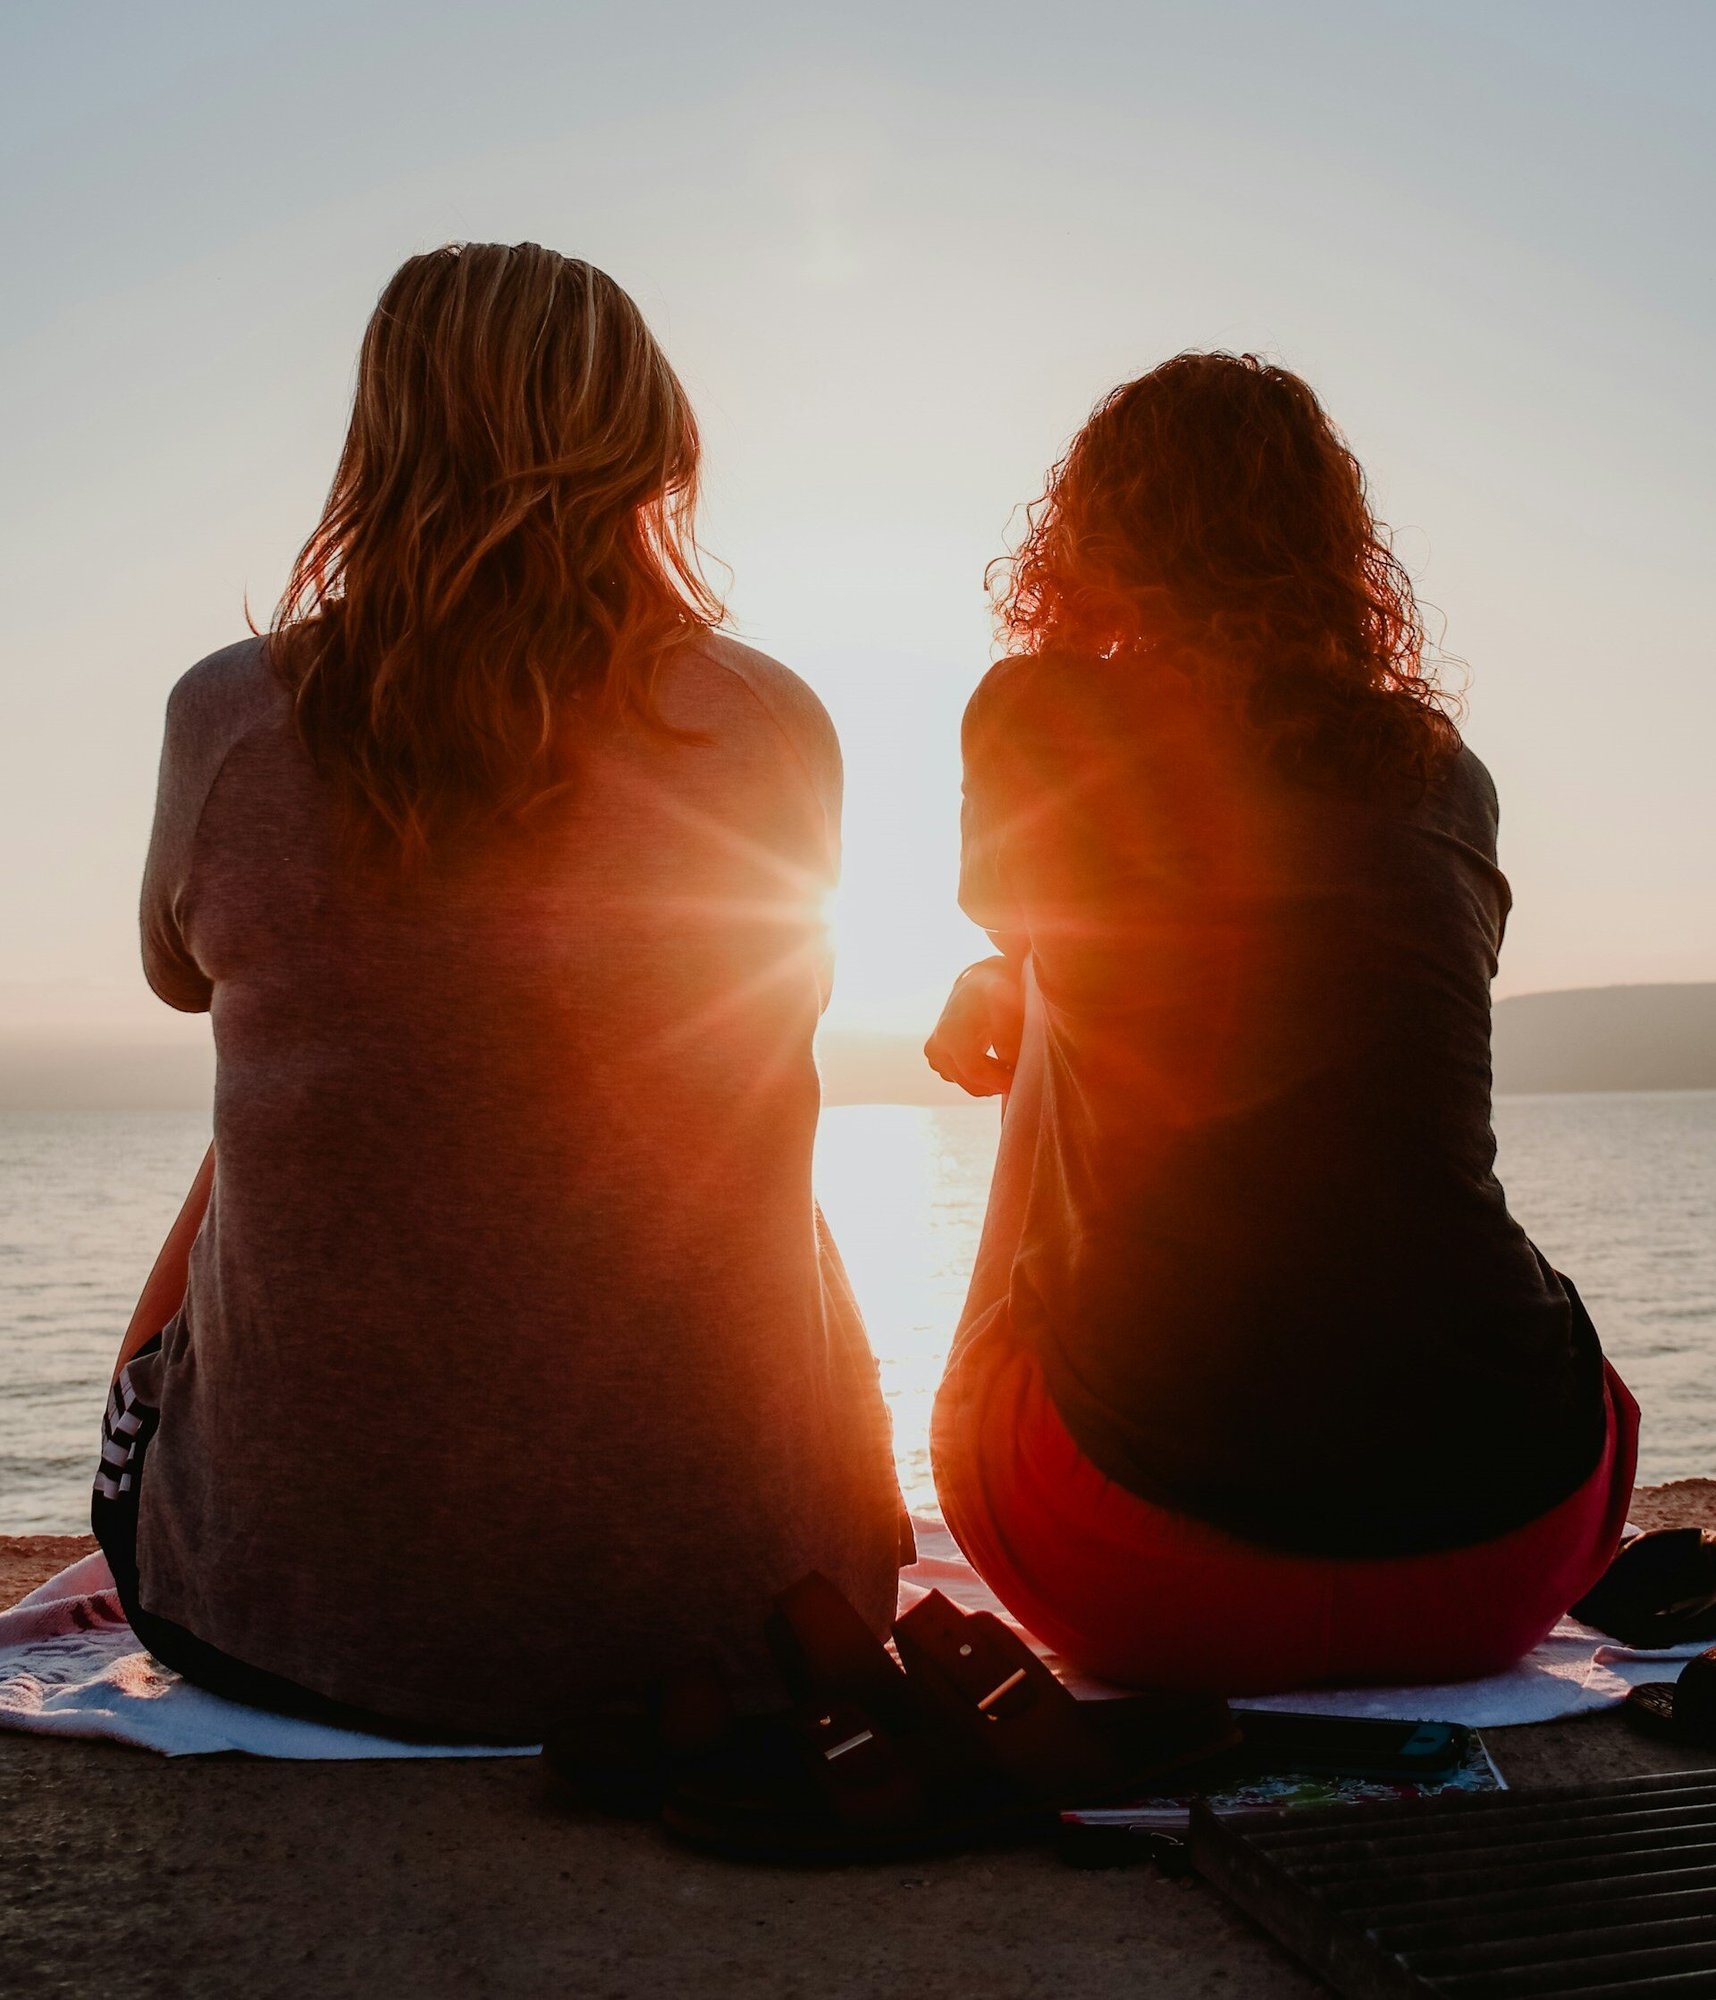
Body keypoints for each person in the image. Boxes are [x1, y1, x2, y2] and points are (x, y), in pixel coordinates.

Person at [95, 243, 904, 1741]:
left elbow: (174, 972)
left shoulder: (231, 713)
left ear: (377, 441)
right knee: (723, 1113)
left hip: (293, 1627)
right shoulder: (775, 721)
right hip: (743, 1619)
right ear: (655, 436)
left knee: (284, 1110)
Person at [926, 353, 1635, 1693]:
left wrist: (1012, 973)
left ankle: (1049, 1398)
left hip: (1143, 1568)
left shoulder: (1044, 709)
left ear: (1091, 534)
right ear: (1332, 550)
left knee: (1047, 1013)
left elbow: (1021, 910)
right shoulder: (1444, 772)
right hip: (1513, 1553)